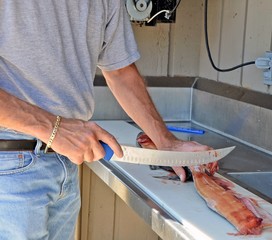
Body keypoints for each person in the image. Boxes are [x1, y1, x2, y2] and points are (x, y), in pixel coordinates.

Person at [0, 1, 217, 239]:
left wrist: (166, 142)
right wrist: (55, 128)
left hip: (65, 164)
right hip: (9, 165)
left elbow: (120, 72)